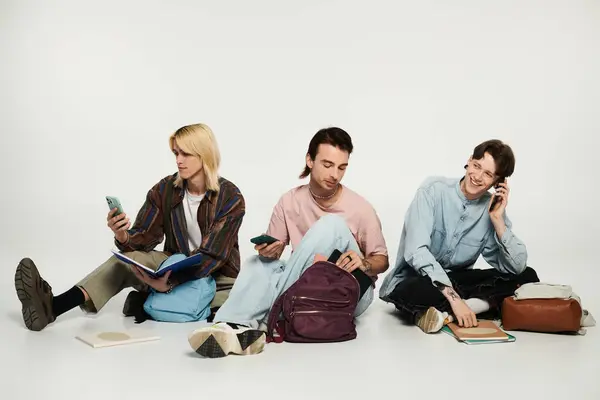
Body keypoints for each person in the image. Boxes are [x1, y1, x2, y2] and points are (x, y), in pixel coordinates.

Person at [14, 123, 245, 331]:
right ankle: (53, 307)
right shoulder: (165, 189)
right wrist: (123, 234)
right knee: (122, 261)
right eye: (176, 153)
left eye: (185, 153)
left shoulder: (230, 196)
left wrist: (169, 282)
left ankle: (148, 301)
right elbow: (143, 239)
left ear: (204, 154)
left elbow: (211, 256)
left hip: (217, 275)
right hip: (173, 262)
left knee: (240, 299)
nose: (178, 160)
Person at [187, 127, 389, 358]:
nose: (335, 174)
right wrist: (270, 251)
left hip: (347, 293)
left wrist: (363, 263)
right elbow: (272, 258)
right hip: (302, 288)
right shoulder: (289, 202)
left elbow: (382, 260)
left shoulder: (360, 208)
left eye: (341, 167)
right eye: (327, 164)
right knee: (257, 262)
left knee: (331, 224)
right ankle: (228, 326)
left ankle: (266, 318)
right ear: (310, 160)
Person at [379, 139, 539, 333]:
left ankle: (450, 313)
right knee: (413, 290)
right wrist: (454, 298)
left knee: (527, 275)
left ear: (498, 182)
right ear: (469, 160)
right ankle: (470, 306)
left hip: (457, 281)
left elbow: (516, 266)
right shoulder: (432, 190)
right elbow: (416, 251)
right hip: (418, 278)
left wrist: (498, 221)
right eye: (476, 166)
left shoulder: (492, 209)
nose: (477, 177)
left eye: (488, 174)